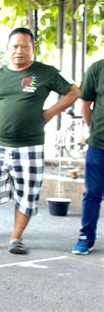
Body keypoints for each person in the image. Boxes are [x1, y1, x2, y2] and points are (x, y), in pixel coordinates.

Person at [0, 27, 81, 254]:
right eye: (15, 46)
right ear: (7, 49)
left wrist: (49, 113)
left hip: (31, 146)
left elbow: (74, 92)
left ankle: (16, 238)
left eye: (25, 46)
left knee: (27, 192)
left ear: (32, 48)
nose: (19, 51)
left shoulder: (46, 72)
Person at [71, 59, 104, 255]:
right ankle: (86, 238)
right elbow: (85, 103)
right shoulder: (98, 68)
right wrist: (94, 129)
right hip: (99, 145)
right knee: (92, 194)